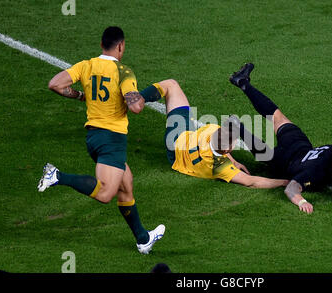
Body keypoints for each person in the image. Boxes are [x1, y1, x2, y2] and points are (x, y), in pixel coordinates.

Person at [37, 26, 165, 254]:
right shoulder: (124, 72)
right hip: (112, 139)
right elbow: (135, 107)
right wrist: (143, 96)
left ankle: (143, 239)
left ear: (101, 45)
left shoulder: (86, 66)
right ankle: (56, 175)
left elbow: (55, 84)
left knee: (126, 185)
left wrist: (79, 96)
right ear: (121, 46)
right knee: (106, 193)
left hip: (94, 138)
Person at [229, 63, 332, 214]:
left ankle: (242, 82)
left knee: (276, 116)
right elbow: (291, 188)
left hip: (298, 144)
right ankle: (237, 126)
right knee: (265, 155)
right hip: (284, 161)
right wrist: (302, 201)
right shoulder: (315, 171)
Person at [137, 79, 289, 188]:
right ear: (227, 150)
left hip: (179, 137)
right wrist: (283, 182)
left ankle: (138, 98)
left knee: (171, 85)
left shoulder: (212, 129)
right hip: (176, 155)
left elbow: (220, 147)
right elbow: (252, 181)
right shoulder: (220, 167)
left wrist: (233, 161)